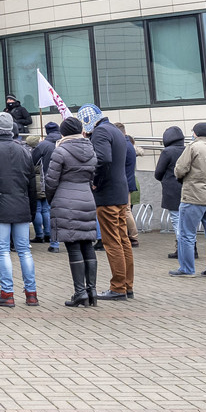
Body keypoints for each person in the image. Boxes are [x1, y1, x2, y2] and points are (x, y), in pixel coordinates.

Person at [0, 111, 39, 307]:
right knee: (24, 251)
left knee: (2, 251)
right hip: (21, 205)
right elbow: (31, 185)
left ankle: (7, 293)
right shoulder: (24, 151)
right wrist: (32, 210)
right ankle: (31, 293)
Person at [44, 115, 99, 307]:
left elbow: (51, 181)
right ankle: (92, 291)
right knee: (87, 244)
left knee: (74, 246)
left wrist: (52, 200)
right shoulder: (91, 150)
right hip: (87, 199)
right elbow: (92, 177)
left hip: (65, 200)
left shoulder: (60, 151)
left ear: (63, 132)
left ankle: (80, 292)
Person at [82, 105, 134, 300]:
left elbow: (102, 159)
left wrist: (95, 182)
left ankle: (118, 287)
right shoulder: (114, 130)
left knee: (112, 242)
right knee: (123, 239)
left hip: (107, 194)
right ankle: (127, 285)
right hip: (120, 191)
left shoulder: (101, 132)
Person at [172, 122, 206, 277]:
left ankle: (187, 269)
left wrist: (180, 176)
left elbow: (180, 169)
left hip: (193, 196)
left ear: (195, 133)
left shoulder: (193, 147)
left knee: (187, 234)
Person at [153, 126, 185, 259]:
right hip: (187, 189)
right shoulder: (187, 149)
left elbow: (158, 172)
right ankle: (191, 248)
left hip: (172, 190)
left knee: (177, 220)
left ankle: (182, 250)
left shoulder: (167, 152)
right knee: (187, 222)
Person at [31, 121, 61, 248]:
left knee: (46, 210)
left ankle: (53, 242)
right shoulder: (65, 142)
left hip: (49, 181)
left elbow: (32, 161)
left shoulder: (43, 145)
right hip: (67, 183)